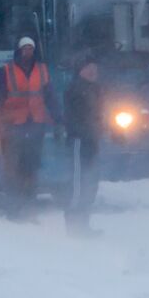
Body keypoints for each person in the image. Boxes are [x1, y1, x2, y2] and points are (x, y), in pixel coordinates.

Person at [0, 36, 58, 217]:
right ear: (19, 51)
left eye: (31, 49)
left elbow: (50, 96)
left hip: (35, 123)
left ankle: (29, 201)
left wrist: (58, 117)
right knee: (12, 165)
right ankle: (13, 204)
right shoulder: (7, 71)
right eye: (25, 49)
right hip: (12, 124)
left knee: (31, 164)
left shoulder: (42, 70)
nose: (28, 52)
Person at [62, 54, 104, 235]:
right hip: (79, 141)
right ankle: (73, 224)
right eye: (89, 67)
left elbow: (98, 115)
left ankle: (83, 224)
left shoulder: (96, 89)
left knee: (90, 182)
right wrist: (86, 132)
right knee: (79, 183)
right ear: (81, 70)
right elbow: (77, 118)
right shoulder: (76, 89)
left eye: (95, 67)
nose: (93, 70)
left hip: (92, 140)